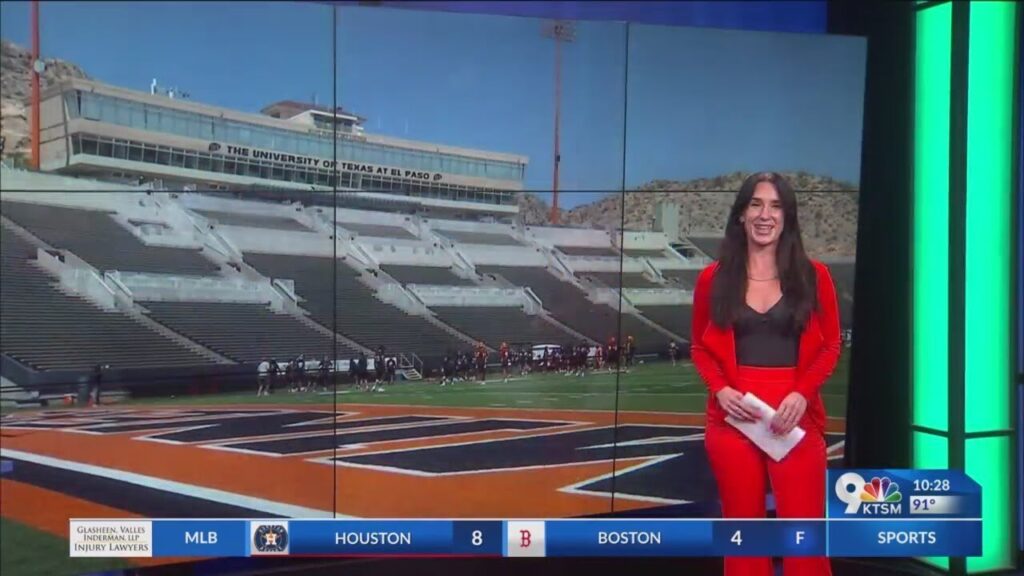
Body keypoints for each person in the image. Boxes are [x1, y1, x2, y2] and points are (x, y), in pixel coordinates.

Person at [690, 172, 839, 576]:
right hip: (733, 422)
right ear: (741, 214)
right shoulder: (712, 279)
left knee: (804, 542)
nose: (765, 214)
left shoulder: (815, 277)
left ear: (787, 218)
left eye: (775, 206)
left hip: (795, 420)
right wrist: (719, 390)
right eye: (755, 204)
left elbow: (830, 346)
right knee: (743, 539)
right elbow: (700, 347)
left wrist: (803, 393)